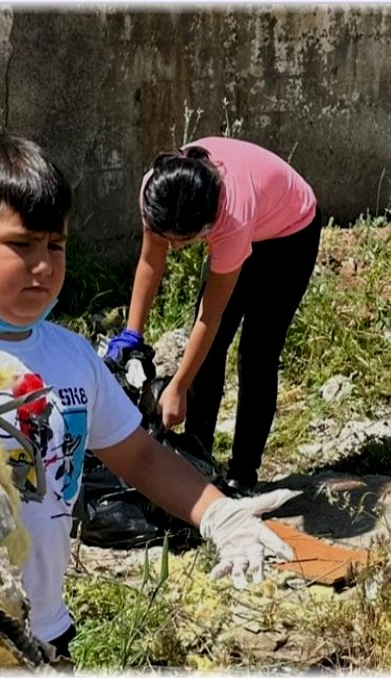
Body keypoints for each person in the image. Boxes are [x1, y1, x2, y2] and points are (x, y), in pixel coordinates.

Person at [0, 133, 297, 665]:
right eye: (21, 245)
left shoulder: (74, 359)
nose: (44, 265)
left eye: (56, 245)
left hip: (41, 627)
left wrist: (218, 514)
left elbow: (139, 455)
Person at [106, 137, 324, 499]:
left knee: (258, 353)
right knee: (208, 354)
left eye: (183, 240)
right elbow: (150, 260)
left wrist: (176, 387)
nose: (174, 247)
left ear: (206, 226)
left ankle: (242, 477)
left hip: (290, 233)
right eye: (170, 238)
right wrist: (132, 334)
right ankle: (197, 455)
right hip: (253, 219)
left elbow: (211, 316)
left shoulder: (230, 217)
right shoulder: (160, 190)